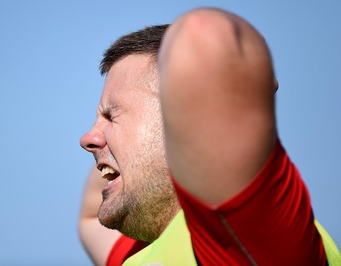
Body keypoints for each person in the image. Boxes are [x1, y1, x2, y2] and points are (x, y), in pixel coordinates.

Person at [79, 8, 340, 266]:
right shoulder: (138, 254)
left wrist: (240, 90)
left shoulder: (242, 237)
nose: (87, 138)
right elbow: (90, 217)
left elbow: (205, 33)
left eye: (111, 116)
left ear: (182, 120)